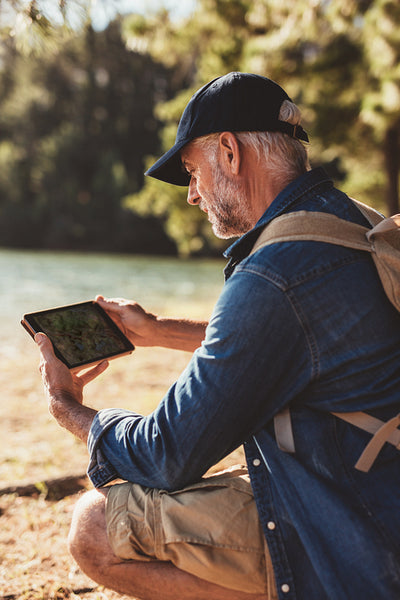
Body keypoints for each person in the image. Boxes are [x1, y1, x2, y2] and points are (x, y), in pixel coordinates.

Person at [35, 72, 400, 600]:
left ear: (229, 152)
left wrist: (68, 407)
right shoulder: (352, 225)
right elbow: (297, 344)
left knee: (95, 526)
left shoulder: (273, 277)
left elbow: (168, 452)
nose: (191, 195)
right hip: (375, 487)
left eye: (191, 171)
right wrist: (157, 331)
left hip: (350, 535)